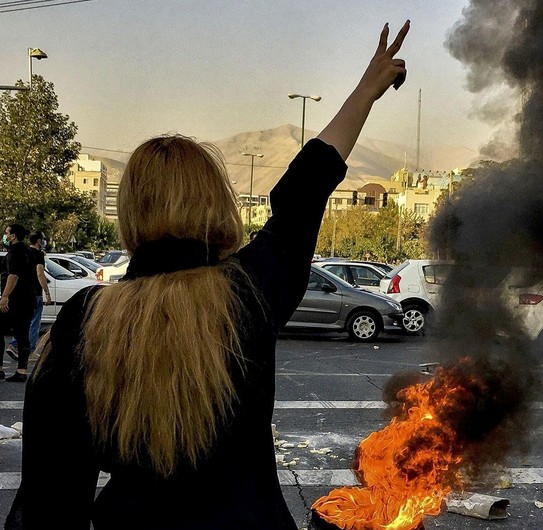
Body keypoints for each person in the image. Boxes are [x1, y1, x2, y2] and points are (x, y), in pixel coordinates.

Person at [5, 21, 409, 530]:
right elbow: (303, 192)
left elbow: (49, 499)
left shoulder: (85, 320)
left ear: (132, 212)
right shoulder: (248, 291)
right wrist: (365, 92)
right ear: (215, 201)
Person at [5, 231, 52, 362]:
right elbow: (40, 273)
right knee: (34, 322)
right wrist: (47, 292)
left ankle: (16, 345)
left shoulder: (25, 251)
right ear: (38, 241)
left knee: (23, 322)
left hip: (21, 292)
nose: (44, 241)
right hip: (34, 292)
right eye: (43, 239)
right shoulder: (38, 254)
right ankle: (27, 350)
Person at [0, 224, 38, 383]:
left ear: (13, 236)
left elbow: (13, 276)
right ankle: (21, 370)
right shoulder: (28, 252)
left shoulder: (14, 252)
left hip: (15, 300)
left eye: (7, 233)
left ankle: (0, 369)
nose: (5, 236)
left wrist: (4, 297)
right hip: (28, 299)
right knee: (22, 334)